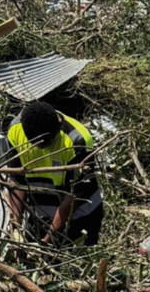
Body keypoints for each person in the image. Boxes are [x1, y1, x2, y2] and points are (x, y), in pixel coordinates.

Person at [7, 101, 103, 246]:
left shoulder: (77, 140)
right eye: (34, 143)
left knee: (75, 262)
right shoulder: (15, 131)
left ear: (58, 125)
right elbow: (16, 180)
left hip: (79, 215)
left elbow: (74, 196)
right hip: (41, 214)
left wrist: (47, 242)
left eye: (47, 143)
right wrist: (16, 228)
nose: (40, 148)